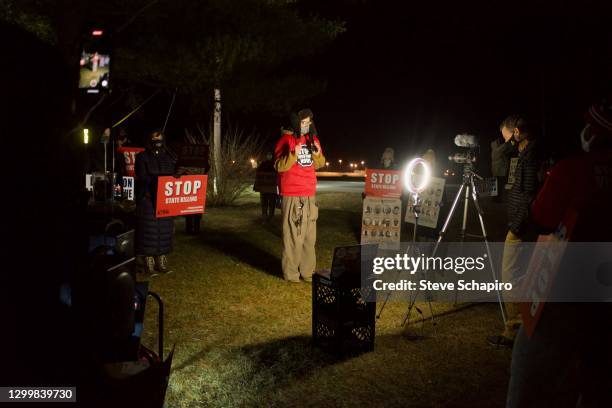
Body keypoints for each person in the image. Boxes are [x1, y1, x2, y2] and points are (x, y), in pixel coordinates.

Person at [506, 100, 612, 407]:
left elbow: (539, 220)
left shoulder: (573, 169)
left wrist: (546, 185)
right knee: (595, 377)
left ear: (592, 133)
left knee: (530, 368)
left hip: (563, 291)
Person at [488, 114, 541, 348]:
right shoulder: (523, 154)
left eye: (508, 138)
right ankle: (521, 327)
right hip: (522, 224)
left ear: (518, 133)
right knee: (519, 275)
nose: (506, 143)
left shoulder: (529, 158)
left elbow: (529, 194)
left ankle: (513, 330)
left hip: (521, 226)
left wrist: (517, 224)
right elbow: (499, 162)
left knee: (509, 277)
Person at [274, 109, 326, 282]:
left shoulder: (313, 140)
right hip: (293, 194)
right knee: (293, 236)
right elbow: (280, 166)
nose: (307, 125)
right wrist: (293, 152)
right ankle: (291, 274)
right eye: (304, 122)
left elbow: (319, 164)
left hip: (310, 194)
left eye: (309, 122)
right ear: (296, 123)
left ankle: (308, 272)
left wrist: (318, 154)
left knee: (309, 237)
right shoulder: (285, 140)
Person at [134, 130, 176, 275]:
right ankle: (148, 261)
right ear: (149, 140)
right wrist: (158, 181)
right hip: (148, 199)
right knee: (149, 231)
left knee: (164, 230)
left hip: (164, 200)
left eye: (160, 138)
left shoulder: (168, 157)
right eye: (154, 138)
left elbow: (172, 176)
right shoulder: (142, 157)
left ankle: (161, 260)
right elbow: (142, 176)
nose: (157, 141)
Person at [253, 151, 279, 223]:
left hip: (271, 188)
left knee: (271, 203)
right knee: (265, 203)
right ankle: (265, 217)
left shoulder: (274, 163)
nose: (269, 156)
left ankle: (271, 217)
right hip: (265, 188)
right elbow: (258, 173)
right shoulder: (263, 164)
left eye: (270, 155)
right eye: (268, 155)